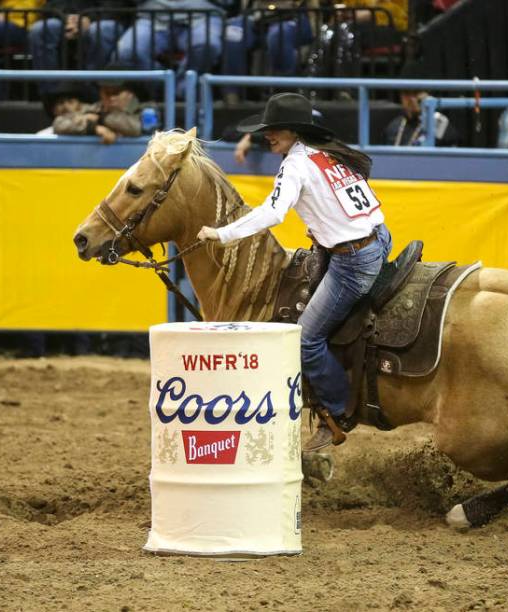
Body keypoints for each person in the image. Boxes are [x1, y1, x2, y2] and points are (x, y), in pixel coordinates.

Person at [196, 92, 392, 451]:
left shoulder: (295, 165)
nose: (267, 135)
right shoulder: (328, 153)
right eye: (267, 129)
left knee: (306, 338)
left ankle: (337, 411)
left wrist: (222, 234)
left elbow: (273, 213)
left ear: (294, 132)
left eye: (275, 130)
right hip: (378, 239)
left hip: (353, 262)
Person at [221, 0, 319, 103]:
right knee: (232, 34)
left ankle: (284, 96)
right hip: (256, 16)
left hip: (293, 15)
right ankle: (233, 96)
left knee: (277, 36)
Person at [113, 0, 224, 87]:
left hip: (202, 16)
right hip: (152, 17)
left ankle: (183, 89)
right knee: (126, 51)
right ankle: (162, 84)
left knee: (208, 44)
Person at [28, 0, 129, 93]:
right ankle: (52, 97)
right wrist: (68, 18)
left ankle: (94, 94)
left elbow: (118, 5)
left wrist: (89, 19)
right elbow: (51, 4)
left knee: (100, 30)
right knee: (40, 30)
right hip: (68, 19)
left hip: (106, 18)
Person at [52, 68, 147, 143]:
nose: (111, 97)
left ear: (130, 93)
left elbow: (137, 128)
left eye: (116, 92)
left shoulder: (145, 110)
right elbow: (59, 124)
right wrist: (93, 128)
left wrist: (101, 119)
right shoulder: (95, 108)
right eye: (106, 93)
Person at [381, 60, 457, 146]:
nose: (411, 99)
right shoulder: (393, 128)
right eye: (406, 93)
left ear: (428, 94)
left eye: (416, 92)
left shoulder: (442, 129)